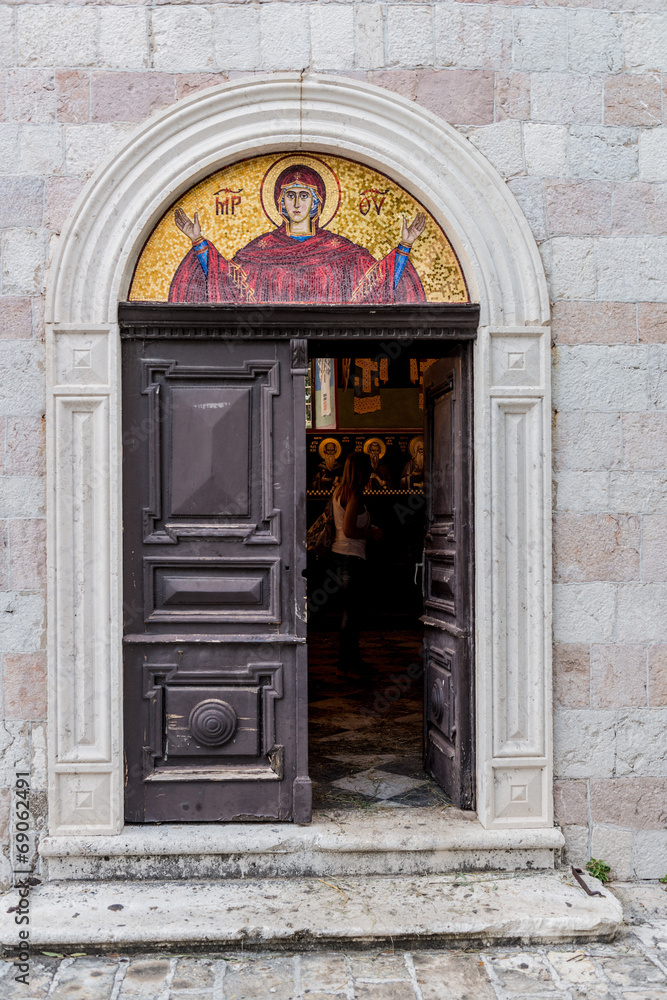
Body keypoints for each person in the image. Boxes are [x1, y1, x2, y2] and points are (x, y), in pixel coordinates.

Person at [169, 163, 427, 304]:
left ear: (316, 202)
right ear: (280, 203)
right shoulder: (260, 250)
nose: (296, 203)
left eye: (304, 195)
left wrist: (404, 245)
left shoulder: (342, 250)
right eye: (289, 195)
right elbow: (225, 283)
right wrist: (198, 241)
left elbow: (377, 284)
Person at [331, 452, 383, 680]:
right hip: (351, 558)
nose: (371, 472)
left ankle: (352, 661)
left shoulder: (338, 492)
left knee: (350, 613)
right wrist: (371, 532)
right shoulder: (353, 495)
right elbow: (350, 531)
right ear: (360, 471)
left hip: (340, 555)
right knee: (351, 615)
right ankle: (346, 664)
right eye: (367, 469)